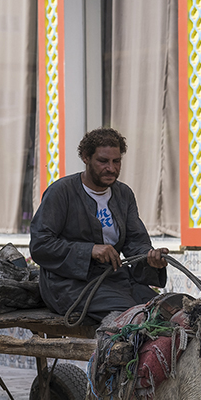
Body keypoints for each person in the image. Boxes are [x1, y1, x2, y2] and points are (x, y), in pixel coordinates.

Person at [30, 127, 169, 323]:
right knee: (135, 315)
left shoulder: (124, 194)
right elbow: (40, 245)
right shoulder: (61, 192)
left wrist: (150, 258)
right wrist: (89, 250)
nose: (111, 168)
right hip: (69, 286)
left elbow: (135, 242)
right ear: (86, 158)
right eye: (103, 161)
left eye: (116, 161)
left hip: (115, 279)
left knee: (168, 310)